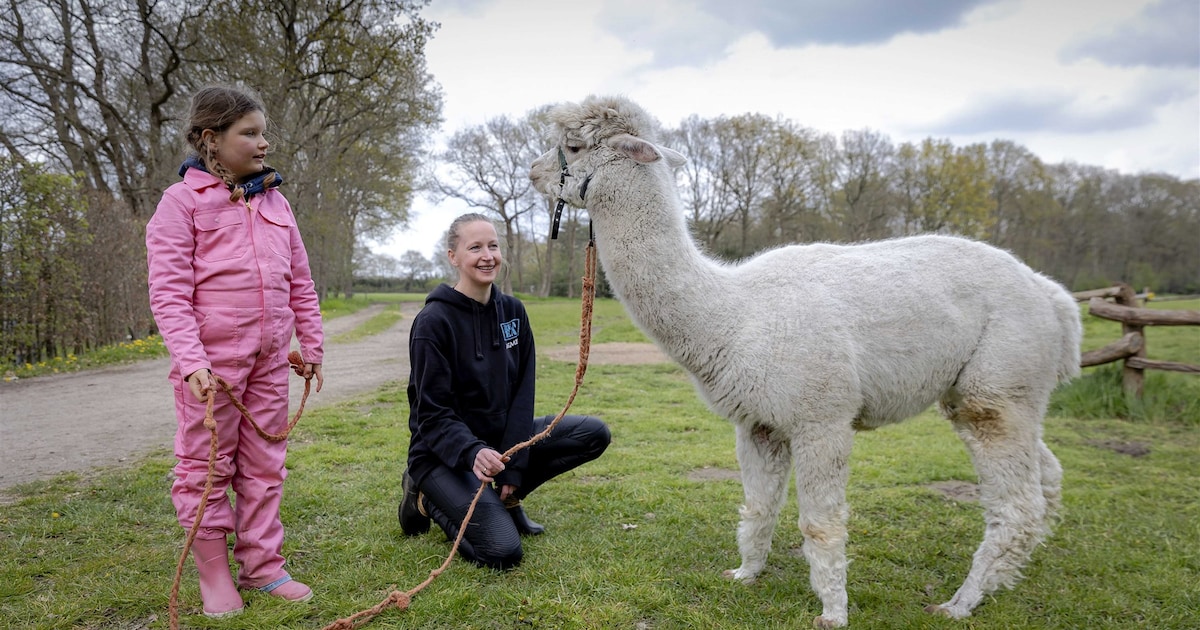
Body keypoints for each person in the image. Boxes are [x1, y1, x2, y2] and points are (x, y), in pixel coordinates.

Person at [146, 85, 324, 618]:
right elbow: (169, 292)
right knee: (205, 469)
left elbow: (302, 283)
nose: (264, 142)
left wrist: (310, 343)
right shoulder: (181, 204)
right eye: (250, 133)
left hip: (270, 363)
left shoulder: (277, 202)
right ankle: (214, 572)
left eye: (263, 131)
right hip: (211, 371)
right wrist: (193, 361)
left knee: (265, 465)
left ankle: (263, 565)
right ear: (211, 140)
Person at [399, 213, 610, 570]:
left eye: (493, 246)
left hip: (500, 446)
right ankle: (422, 496)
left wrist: (514, 470)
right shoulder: (433, 323)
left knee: (592, 434)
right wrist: (472, 450)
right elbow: (431, 414)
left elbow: (522, 392)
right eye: (475, 247)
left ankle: (507, 499)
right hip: (443, 454)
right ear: (453, 257)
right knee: (501, 552)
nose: (487, 256)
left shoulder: (513, 311)